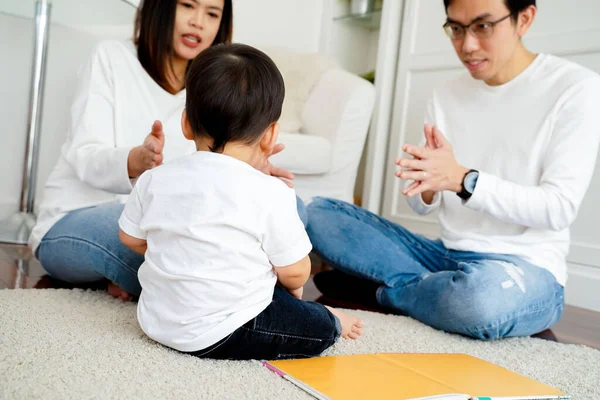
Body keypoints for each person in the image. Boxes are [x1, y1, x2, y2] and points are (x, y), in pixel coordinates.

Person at [306, 0, 600, 340]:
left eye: (483, 26)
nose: (467, 45)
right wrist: (429, 182)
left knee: (478, 303)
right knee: (319, 214)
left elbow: (558, 209)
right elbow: (422, 203)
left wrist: (463, 180)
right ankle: (423, 291)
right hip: (441, 256)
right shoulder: (447, 93)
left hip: (523, 268)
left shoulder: (575, 88)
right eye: (456, 29)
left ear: (525, 19)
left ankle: (380, 291)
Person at [29, 0, 294, 301]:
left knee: (289, 209)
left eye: (212, 13)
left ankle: (134, 280)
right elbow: (84, 155)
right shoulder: (111, 57)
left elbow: (206, 190)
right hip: (77, 217)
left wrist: (246, 171)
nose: (198, 22)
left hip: (164, 222)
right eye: (187, 6)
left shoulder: (213, 88)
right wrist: (136, 160)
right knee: (153, 242)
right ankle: (274, 304)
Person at [118, 43, 363, 360]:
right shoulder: (270, 191)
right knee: (311, 324)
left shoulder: (155, 178)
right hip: (226, 330)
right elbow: (297, 272)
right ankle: (332, 321)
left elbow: (129, 236)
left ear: (186, 124)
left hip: (156, 321)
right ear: (270, 135)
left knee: (262, 283)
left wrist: (183, 249)